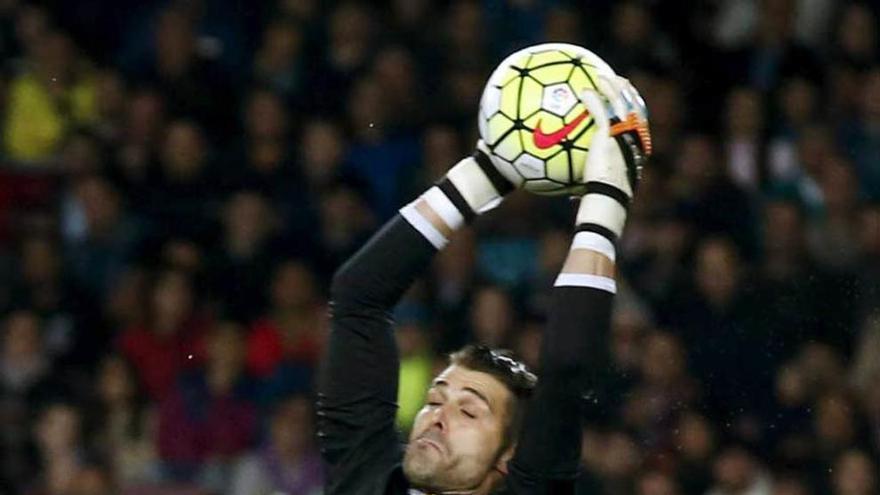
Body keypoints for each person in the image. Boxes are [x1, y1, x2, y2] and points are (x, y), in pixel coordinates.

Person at [316, 74, 651, 494]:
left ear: (509, 458)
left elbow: (565, 370)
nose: (438, 416)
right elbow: (357, 296)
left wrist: (606, 205)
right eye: (435, 401)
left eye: (469, 412)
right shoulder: (367, 475)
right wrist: (482, 174)